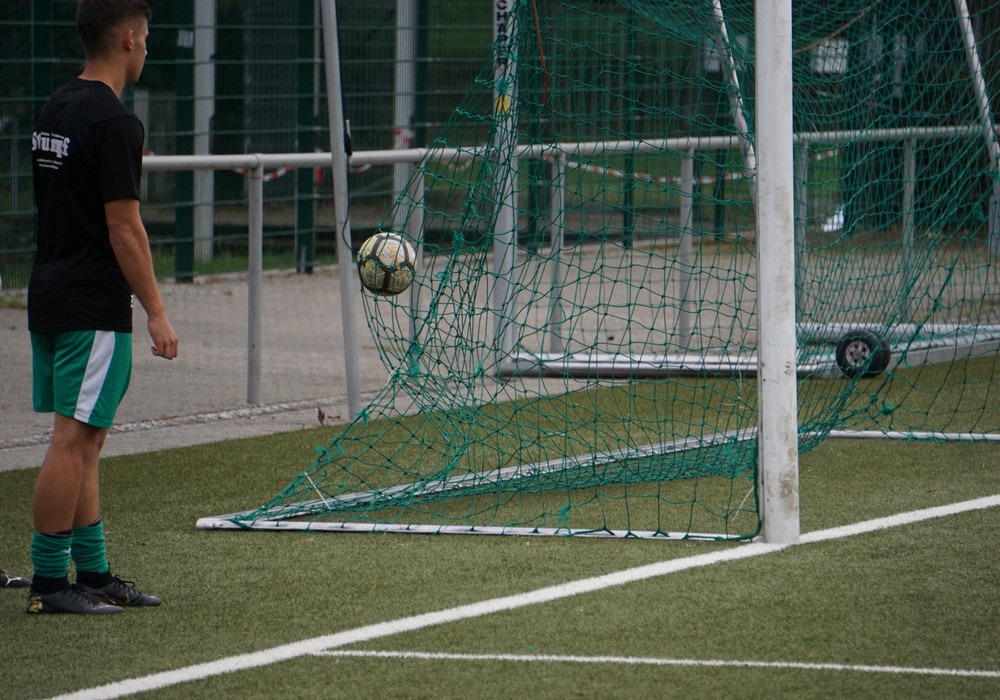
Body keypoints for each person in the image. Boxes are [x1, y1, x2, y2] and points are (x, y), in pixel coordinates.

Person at [26, 0, 178, 615]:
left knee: (87, 440)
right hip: (92, 304)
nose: (147, 48)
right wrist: (157, 311)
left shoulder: (55, 107)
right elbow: (124, 228)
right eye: (146, 38)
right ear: (126, 39)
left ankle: (91, 573)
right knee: (72, 440)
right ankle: (48, 584)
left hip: (51, 293)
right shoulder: (116, 122)